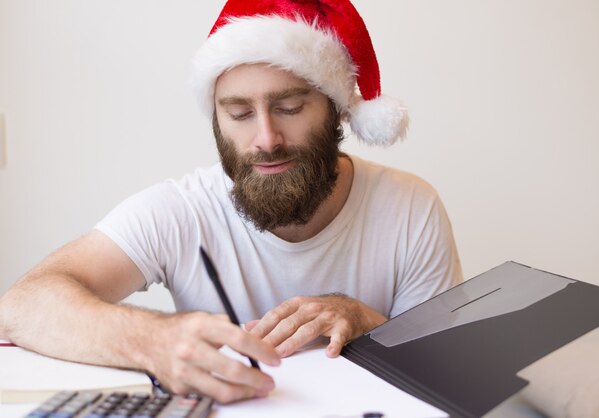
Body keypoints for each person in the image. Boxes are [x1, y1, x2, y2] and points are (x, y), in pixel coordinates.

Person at [0, 0, 462, 405]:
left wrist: (366, 321)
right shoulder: (180, 211)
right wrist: (151, 339)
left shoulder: (410, 207)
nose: (265, 139)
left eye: (290, 107)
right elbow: (18, 308)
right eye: (239, 113)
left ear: (336, 107)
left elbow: (450, 376)